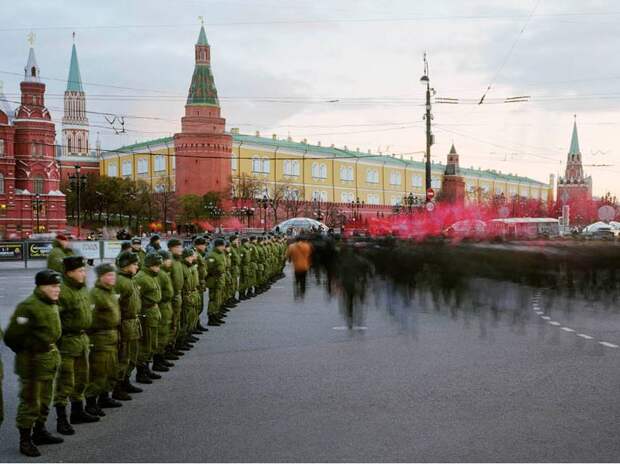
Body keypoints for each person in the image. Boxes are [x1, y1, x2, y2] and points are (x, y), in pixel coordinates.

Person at [4, 270, 64, 457]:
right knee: (31, 401)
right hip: (32, 363)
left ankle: (40, 431)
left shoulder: (50, 303)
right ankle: (25, 440)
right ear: (41, 287)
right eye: (53, 286)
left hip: (48, 359)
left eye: (58, 286)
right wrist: (29, 351)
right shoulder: (29, 306)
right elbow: (11, 337)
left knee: (45, 400)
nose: (57, 290)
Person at [54, 256, 99, 436]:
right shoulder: (62, 291)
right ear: (69, 273)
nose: (84, 273)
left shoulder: (81, 288)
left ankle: (77, 411)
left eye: (84, 270)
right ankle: (61, 419)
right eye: (80, 271)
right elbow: (55, 319)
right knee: (65, 382)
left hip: (81, 340)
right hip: (67, 342)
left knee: (81, 378)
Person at [84, 263, 121, 418]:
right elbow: (89, 320)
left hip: (111, 336)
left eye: (113, 275)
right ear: (101, 277)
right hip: (100, 338)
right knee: (98, 372)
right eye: (109, 275)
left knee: (110, 369)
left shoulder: (109, 292)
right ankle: (91, 402)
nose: (112, 278)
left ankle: (105, 397)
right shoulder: (96, 294)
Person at [112, 252, 142, 401]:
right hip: (124, 323)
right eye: (134, 264)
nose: (137, 266)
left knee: (131, 355)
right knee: (123, 356)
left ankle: (125, 381)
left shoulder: (129, 280)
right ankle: (117, 386)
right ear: (125, 265)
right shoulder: (120, 282)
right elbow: (115, 306)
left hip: (132, 322)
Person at [134, 252, 163, 384]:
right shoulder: (141, 278)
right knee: (145, 344)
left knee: (152, 343)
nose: (159, 268)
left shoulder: (152, 275)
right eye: (157, 265)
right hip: (146, 314)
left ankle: (147, 368)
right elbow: (136, 299)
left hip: (153, 311)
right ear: (150, 265)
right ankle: (141, 372)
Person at [153, 250, 175, 372]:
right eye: (168, 259)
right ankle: (158, 360)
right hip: (161, 306)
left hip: (166, 304)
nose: (170, 261)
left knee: (165, 332)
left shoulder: (163, 273)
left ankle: (161, 357)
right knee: (161, 334)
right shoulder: (160, 274)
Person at [167, 239, 187, 354]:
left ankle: (175, 344)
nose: (181, 249)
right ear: (171, 248)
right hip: (172, 296)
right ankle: (169, 348)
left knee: (177, 321)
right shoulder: (170, 261)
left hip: (178, 294)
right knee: (172, 323)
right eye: (179, 247)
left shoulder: (178, 260)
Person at [205, 238, 227, 326]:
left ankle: (216, 314)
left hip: (220, 279)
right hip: (214, 280)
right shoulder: (212, 255)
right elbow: (209, 269)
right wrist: (215, 273)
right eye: (222, 246)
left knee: (218, 298)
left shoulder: (221, 254)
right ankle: (211, 317)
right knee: (213, 298)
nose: (224, 247)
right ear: (218, 246)